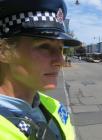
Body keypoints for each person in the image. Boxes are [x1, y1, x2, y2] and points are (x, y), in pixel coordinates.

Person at [0, 0, 81, 140]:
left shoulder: (54, 107)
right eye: (44, 46)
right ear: (4, 52)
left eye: (61, 49)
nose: (60, 61)